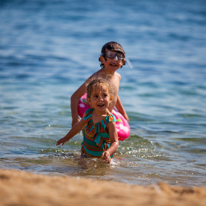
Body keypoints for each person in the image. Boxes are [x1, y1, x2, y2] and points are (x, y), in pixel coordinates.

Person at [56, 78, 119, 163]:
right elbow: (78, 127)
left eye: (104, 95)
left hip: (102, 158)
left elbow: (115, 142)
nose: (100, 99)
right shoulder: (88, 114)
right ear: (89, 100)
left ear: (110, 98)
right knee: (81, 173)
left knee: (102, 175)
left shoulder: (109, 120)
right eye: (96, 96)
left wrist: (108, 152)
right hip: (85, 154)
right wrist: (66, 138)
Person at [70, 41, 129, 128]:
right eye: (110, 55)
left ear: (123, 61)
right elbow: (75, 96)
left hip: (107, 117)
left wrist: (123, 113)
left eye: (119, 56)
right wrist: (75, 119)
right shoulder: (96, 78)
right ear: (102, 59)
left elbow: (114, 95)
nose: (115, 59)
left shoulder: (118, 77)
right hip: (95, 118)